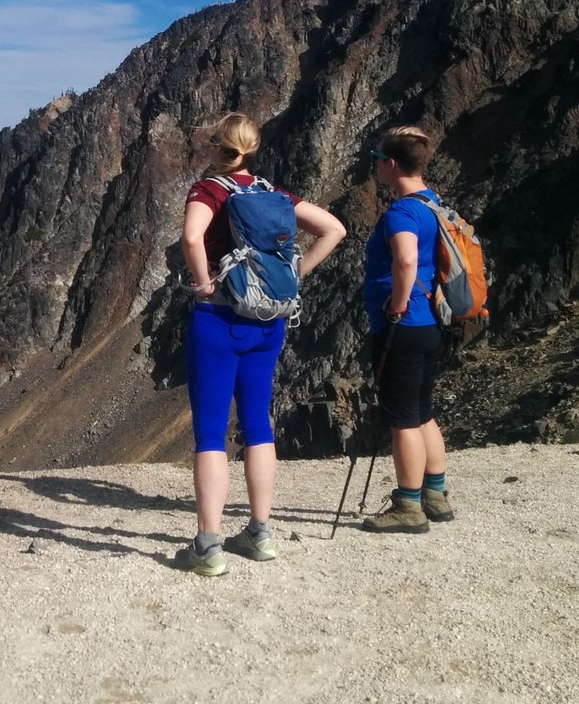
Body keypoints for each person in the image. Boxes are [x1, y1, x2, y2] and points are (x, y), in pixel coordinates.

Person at [176, 113, 346, 576]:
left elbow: (192, 236)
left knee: (210, 433)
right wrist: (296, 277)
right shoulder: (275, 195)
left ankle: (207, 547)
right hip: (267, 322)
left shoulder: (208, 190)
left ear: (218, 147)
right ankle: (259, 533)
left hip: (218, 322)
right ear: (250, 150)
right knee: (258, 423)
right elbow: (334, 229)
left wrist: (203, 283)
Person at [360, 125, 455, 533]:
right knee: (422, 410)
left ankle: (409, 506)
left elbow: (405, 261)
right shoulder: (433, 204)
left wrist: (397, 305)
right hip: (432, 322)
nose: (376, 166)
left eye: (378, 159)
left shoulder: (401, 212)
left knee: (402, 418)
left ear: (391, 165)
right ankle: (436, 494)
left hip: (404, 323)